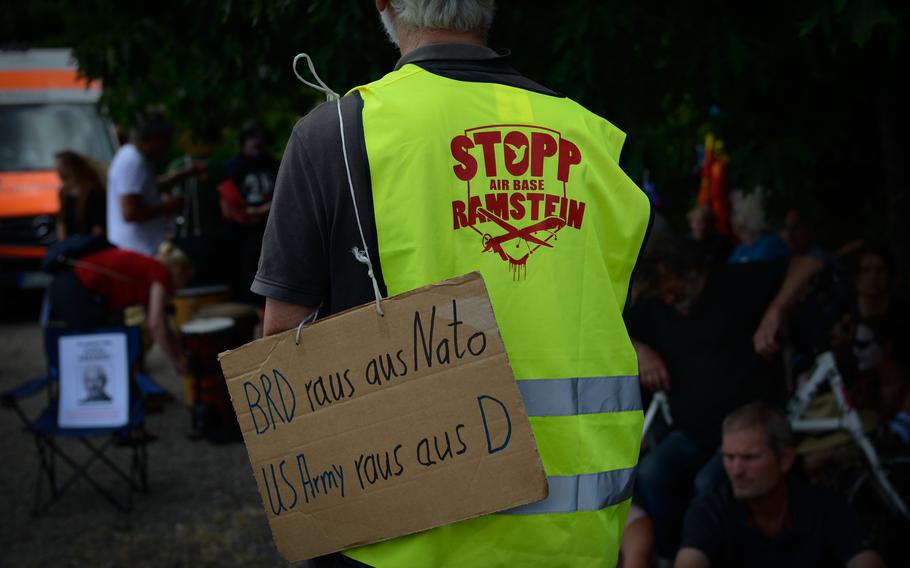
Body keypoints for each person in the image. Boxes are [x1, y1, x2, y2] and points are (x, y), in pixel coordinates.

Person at [252, 1, 652, 565]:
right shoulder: (590, 137)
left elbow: (282, 338)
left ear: (384, 4)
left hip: (403, 541)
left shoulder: (339, 133)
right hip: (572, 537)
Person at [629, 239, 829, 557]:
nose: (668, 298)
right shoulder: (656, 306)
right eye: (659, 294)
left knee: (710, 484)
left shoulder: (736, 281)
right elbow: (610, 327)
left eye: (670, 287)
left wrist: (776, 310)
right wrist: (639, 349)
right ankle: (673, 556)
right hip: (692, 432)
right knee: (651, 471)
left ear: (685, 271)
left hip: (749, 431)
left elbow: (812, 259)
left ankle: (720, 557)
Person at [675, 402, 886, 568]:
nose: (736, 471)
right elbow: (690, 560)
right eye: (729, 457)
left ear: (785, 459)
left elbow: (864, 559)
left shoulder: (824, 507)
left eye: (749, 457)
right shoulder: (711, 510)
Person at [48, 242, 193, 374]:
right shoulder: (161, 273)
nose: (180, 289)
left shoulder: (150, 269)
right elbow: (156, 325)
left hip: (68, 286)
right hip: (77, 290)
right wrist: (176, 360)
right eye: (184, 282)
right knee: (103, 348)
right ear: (179, 270)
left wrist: (178, 352)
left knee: (119, 341)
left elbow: (161, 323)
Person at [107, 108, 201, 255]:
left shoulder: (138, 157)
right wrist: (167, 207)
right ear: (154, 139)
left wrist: (182, 175)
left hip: (143, 246)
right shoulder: (133, 161)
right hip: (139, 250)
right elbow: (130, 213)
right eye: (166, 141)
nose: (168, 147)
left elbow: (147, 189)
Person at [218, 121, 279, 304]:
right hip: (240, 235)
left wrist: (262, 210)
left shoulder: (274, 165)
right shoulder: (233, 166)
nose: (257, 144)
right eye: (252, 139)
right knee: (243, 280)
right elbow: (225, 201)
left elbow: (286, 196)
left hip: (268, 231)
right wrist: (241, 214)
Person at [727, 188, 790, 264]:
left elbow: (754, 273)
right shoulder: (740, 250)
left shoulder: (770, 244)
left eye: (735, 213)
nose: (730, 219)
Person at [54, 150, 106, 240]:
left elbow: (98, 227)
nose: (56, 169)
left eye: (59, 166)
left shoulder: (94, 192)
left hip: (88, 245)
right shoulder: (64, 192)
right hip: (72, 245)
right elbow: (62, 221)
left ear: (69, 168)